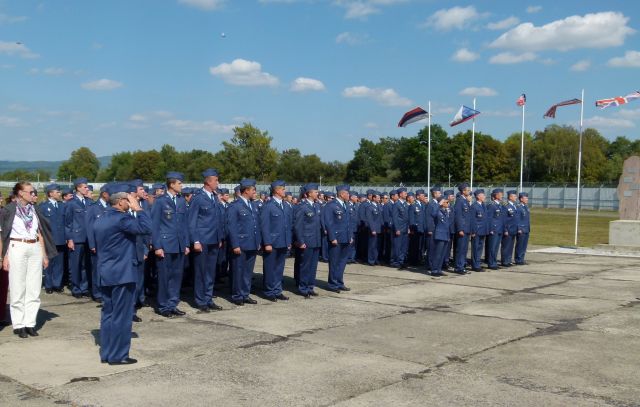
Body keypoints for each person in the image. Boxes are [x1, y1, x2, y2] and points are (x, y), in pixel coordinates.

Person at [93, 183, 151, 365]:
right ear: (119, 202)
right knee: (122, 315)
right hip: (122, 273)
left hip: (106, 272)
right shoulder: (121, 219)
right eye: (128, 199)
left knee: (108, 314)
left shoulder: (101, 218)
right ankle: (118, 355)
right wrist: (138, 208)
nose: (130, 202)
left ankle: (107, 352)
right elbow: (146, 228)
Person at [1, 182, 57, 338]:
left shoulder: (35, 210)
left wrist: (44, 254)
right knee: (17, 285)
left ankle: (30, 323)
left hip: (34, 247)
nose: (34, 194)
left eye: (34, 192)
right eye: (31, 192)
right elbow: (4, 235)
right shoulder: (9, 210)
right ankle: (19, 324)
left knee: (34, 286)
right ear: (20, 193)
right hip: (17, 246)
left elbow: (40, 233)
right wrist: (4, 256)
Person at [151, 172, 190, 318]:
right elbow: (154, 225)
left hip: (179, 244)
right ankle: (163, 306)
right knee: (164, 277)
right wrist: (157, 246)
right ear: (172, 184)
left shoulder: (180, 200)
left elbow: (185, 224)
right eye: (179, 183)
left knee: (176, 276)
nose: (181, 186)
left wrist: (186, 244)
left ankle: (173, 304)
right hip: (165, 245)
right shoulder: (160, 201)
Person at [188, 169, 224, 312]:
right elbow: (192, 221)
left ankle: (208, 298)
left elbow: (218, 219)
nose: (217, 183)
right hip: (202, 240)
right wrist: (195, 240)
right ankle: (200, 300)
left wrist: (219, 237)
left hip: (213, 240)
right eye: (216, 180)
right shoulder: (198, 198)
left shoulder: (214, 197)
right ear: (208, 182)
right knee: (201, 272)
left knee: (210, 272)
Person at [227, 179, 261, 305]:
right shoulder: (235, 206)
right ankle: (237, 295)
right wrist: (235, 244)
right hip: (241, 244)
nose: (255, 192)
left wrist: (258, 241)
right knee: (238, 271)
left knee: (248, 272)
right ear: (246, 191)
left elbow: (256, 225)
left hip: (252, 243)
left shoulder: (252, 205)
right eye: (253, 190)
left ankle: (245, 294)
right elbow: (232, 227)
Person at [260, 180, 292, 302]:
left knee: (279, 268)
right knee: (270, 268)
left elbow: (288, 226)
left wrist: (288, 241)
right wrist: (267, 243)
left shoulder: (285, 205)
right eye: (283, 189)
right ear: (277, 191)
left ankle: (277, 290)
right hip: (272, 243)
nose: (285, 191)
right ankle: (269, 291)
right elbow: (265, 226)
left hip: (283, 242)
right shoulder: (268, 206)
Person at [65, 177, 92, 299]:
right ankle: (76, 288)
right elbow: (68, 223)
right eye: (85, 187)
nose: (87, 189)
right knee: (76, 264)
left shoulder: (89, 202)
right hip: (76, 238)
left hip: (88, 238)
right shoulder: (71, 203)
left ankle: (84, 287)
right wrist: (70, 239)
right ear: (78, 188)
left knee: (86, 264)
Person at [293, 183, 322, 298]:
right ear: (308, 194)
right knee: (305, 266)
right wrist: (300, 241)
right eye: (315, 192)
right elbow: (298, 226)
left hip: (316, 240)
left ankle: (310, 286)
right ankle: (303, 287)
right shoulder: (302, 207)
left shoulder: (316, 206)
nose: (317, 193)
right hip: (307, 241)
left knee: (313, 266)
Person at [323, 185, 353, 293]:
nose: (349, 195)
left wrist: (350, 236)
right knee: (334, 262)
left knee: (342, 262)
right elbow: (328, 223)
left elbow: (349, 223)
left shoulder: (346, 205)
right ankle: (332, 284)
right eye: (347, 193)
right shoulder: (331, 205)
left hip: (346, 238)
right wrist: (332, 237)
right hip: (336, 238)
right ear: (341, 194)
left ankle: (340, 282)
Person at [39, 184, 67, 293]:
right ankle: (49, 285)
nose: (60, 194)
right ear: (50, 193)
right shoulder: (43, 206)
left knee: (59, 263)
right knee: (49, 263)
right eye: (57, 192)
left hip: (61, 239)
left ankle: (57, 284)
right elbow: (41, 224)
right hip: (49, 239)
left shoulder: (62, 206)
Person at [86, 184, 111, 303]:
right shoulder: (93, 207)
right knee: (97, 269)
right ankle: (97, 292)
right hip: (98, 243)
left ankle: (107, 290)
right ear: (104, 194)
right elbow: (89, 228)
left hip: (110, 243)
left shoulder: (111, 206)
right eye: (110, 193)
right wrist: (92, 244)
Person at [453, 183, 472, 275]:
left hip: (467, 228)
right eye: (467, 190)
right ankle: (458, 267)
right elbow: (458, 216)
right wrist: (460, 229)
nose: (469, 191)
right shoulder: (460, 201)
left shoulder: (465, 201)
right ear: (463, 191)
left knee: (464, 249)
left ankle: (462, 266)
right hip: (462, 229)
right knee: (460, 249)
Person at [430, 197, 451, 277]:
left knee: (442, 254)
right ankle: (434, 270)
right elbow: (433, 214)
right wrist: (439, 204)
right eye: (446, 202)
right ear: (442, 203)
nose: (448, 204)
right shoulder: (438, 210)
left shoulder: (446, 211)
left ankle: (439, 269)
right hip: (439, 234)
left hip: (445, 234)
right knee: (438, 253)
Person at [486, 188, 505, 270]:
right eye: (500, 195)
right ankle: (491, 263)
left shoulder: (499, 205)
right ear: (496, 195)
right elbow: (489, 218)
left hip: (499, 229)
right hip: (494, 229)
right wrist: (490, 229)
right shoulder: (491, 205)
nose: (502, 196)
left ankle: (494, 262)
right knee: (492, 247)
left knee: (496, 247)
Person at [391, 187, 409, 269]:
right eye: (405, 193)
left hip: (405, 228)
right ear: (400, 194)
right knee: (397, 246)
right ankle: (396, 262)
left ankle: (401, 261)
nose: (406, 194)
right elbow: (395, 218)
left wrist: (408, 228)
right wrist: (397, 229)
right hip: (399, 228)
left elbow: (407, 218)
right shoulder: (396, 204)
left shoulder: (405, 204)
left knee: (403, 247)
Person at [470, 189, 487, 272]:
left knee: (480, 248)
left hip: (482, 230)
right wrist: (473, 231)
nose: (484, 196)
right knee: (475, 248)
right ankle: (475, 265)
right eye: (483, 195)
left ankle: (478, 263)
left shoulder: (483, 205)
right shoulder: (474, 206)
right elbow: (472, 220)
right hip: (476, 231)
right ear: (478, 196)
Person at [365, 191, 382, 266]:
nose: (379, 199)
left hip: (379, 229)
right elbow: (370, 219)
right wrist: (372, 229)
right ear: (374, 198)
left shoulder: (378, 206)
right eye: (378, 198)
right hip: (373, 229)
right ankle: (371, 260)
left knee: (377, 245)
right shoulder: (369, 207)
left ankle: (375, 259)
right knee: (372, 245)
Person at [514, 192, 530, 265]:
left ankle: (521, 259)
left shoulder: (526, 207)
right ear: (521, 199)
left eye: (527, 198)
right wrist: (519, 228)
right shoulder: (518, 207)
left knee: (524, 245)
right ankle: (518, 259)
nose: (527, 199)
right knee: (520, 245)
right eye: (525, 198)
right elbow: (517, 219)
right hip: (521, 229)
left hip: (526, 228)